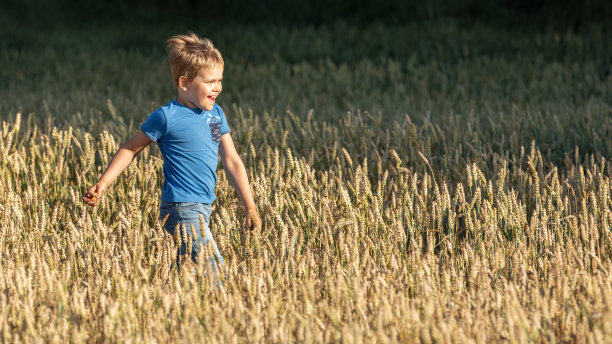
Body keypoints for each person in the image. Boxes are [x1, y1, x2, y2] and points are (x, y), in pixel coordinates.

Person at [82, 32, 262, 271]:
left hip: (205, 206)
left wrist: (250, 206)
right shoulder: (167, 117)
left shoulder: (214, 116)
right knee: (215, 271)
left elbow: (230, 160)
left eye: (219, 80)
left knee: (186, 272)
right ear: (185, 83)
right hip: (181, 207)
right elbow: (130, 148)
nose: (217, 87)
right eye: (210, 82)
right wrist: (103, 182)